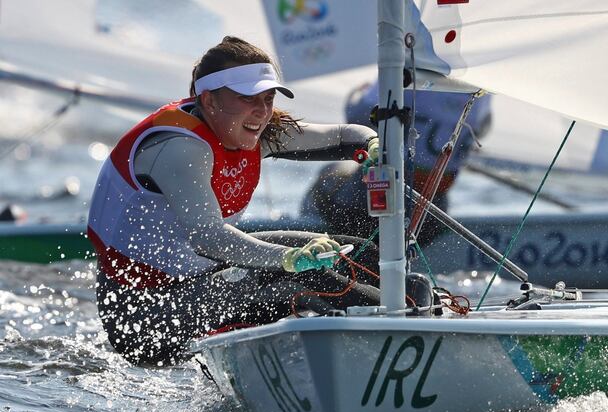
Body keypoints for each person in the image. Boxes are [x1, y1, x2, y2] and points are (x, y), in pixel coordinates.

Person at [87, 36, 404, 366]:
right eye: (248, 98)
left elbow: (341, 137)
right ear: (209, 100)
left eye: (268, 99)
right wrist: (290, 258)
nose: (262, 112)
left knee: (348, 254)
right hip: (146, 318)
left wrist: (372, 144)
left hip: (203, 277)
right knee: (305, 279)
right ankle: (396, 341)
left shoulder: (250, 127)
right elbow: (209, 237)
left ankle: (427, 314)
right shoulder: (179, 148)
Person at [301, 81, 492, 244]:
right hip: (432, 215)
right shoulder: (481, 86)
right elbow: (482, 128)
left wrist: (357, 94)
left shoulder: (400, 68)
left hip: (366, 204)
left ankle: (311, 241)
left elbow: (357, 119)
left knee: (330, 171)